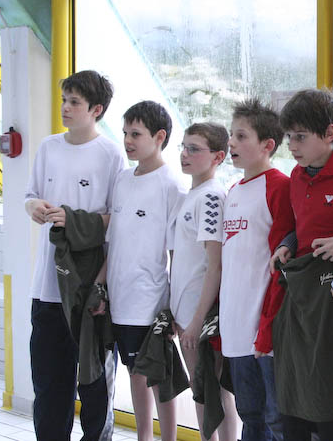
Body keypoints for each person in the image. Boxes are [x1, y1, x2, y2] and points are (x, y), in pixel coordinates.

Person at [183, 99, 293, 441]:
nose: (231, 142)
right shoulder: (232, 192)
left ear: (267, 145)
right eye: (232, 135)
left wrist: (268, 326)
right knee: (250, 415)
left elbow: (282, 268)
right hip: (235, 330)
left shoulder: (279, 187)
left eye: (241, 136)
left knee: (276, 419)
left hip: (265, 333)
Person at [25, 70, 124, 441]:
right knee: (49, 388)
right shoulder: (48, 147)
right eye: (64, 100)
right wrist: (34, 207)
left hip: (87, 292)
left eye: (74, 102)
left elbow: (117, 221)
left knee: (95, 388)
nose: (65, 107)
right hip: (47, 291)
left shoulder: (110, 154)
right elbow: (29, 195)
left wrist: (73, 219)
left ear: (96, 109)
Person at [269, 88, 333, 441]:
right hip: (301, 299)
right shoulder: (296, 176)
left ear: (329, 133)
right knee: (294, 399)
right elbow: (299, 227)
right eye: (288, 137)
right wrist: (287, 245)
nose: (292, 146)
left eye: (300, 137)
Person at [104, 100, 185, 441]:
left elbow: (176, 253)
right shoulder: (122, 179)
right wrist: (100, 288)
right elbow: (112, 242)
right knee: (133, 374)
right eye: (125, 133)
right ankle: (143, 437)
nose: (127, 140)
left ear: (159, 136)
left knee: (159, 379)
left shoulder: (172, 185)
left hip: (150, 301)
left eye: (135, 134)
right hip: (119, 298)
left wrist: (174, 308)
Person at [171, 121, 238, 441]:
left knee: (211, 392)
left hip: (200, 316)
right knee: (203, 391)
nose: (184, 154)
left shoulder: (211, 197)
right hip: (186, 313)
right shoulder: (192, 194)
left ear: (218, 157)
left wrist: (197, 321)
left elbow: (216, 265)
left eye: (194, 149)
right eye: (183, 147)